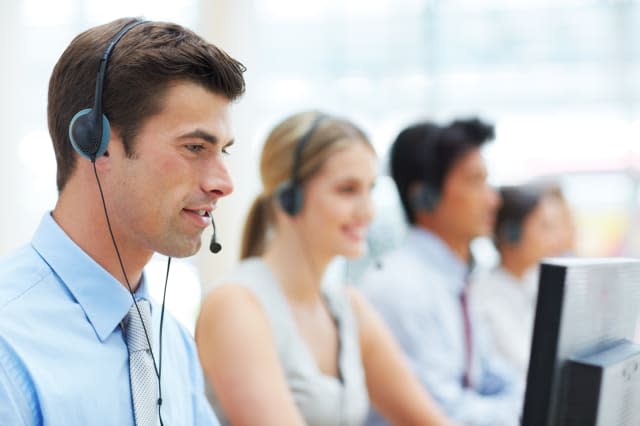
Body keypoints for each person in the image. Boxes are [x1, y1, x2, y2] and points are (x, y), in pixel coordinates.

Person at [0, 17, 245, 425]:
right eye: (195, 147)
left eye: (224, 151)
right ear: (94, 142)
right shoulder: (9, 345)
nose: (224, 183)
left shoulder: (171, 343)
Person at [196, 111, 454, 426]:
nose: (367, 211)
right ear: (289, 198)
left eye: (370, 189)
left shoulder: (347, 307)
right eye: (347, 189)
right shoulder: (235, 306)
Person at [359, 118, 523, 426]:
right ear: (426, 196)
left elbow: (492, 376)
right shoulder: (401, 286)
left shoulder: (455, 278)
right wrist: (527, 409)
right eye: (475, 181)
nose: (493, 199)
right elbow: (443, 413)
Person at [471, 183, 574, 376]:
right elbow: (527, 366)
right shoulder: (483, 297)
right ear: (512, 233)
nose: (556, 238)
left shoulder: (534, 282)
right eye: (545, 227)